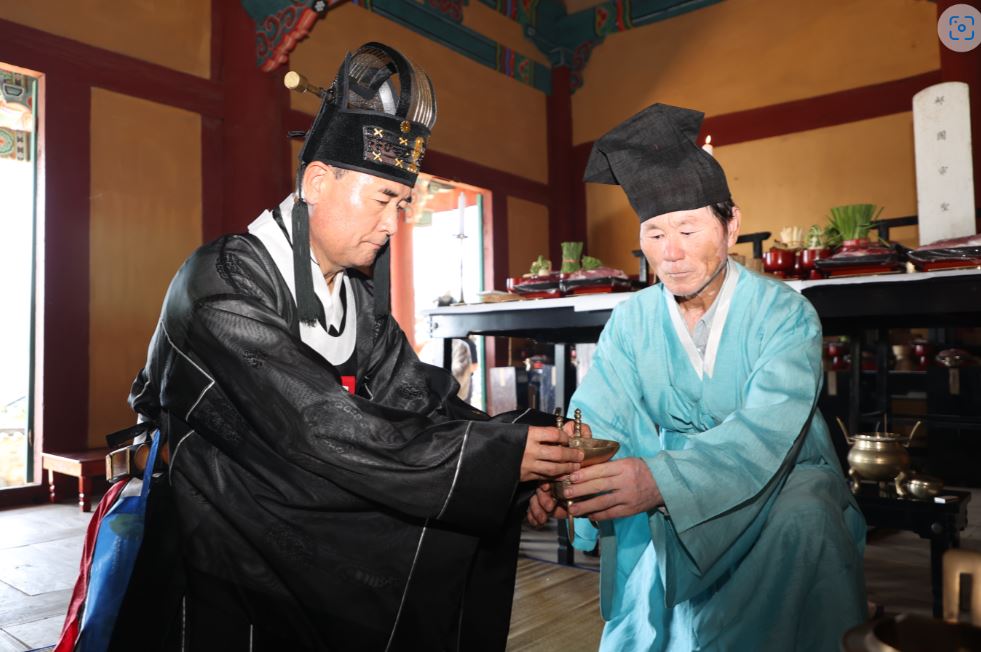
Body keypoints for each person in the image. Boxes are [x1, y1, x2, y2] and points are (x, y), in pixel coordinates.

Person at [126, 42, 583, 651]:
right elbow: (317, 425)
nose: (393, 225)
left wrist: (523, 459)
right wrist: (496, 462)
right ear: (318, 181)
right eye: (383, 200)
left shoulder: (355, 298)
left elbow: (420, 400)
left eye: (403, 204)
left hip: (286, 513)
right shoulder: (222, 283)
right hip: (214, 535)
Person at [527, 103, 867, 651]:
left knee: (803, 517)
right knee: (644, 529)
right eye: (654, 233)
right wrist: (566, 470)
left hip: (781, 472)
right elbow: (601, 411)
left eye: (688, 229)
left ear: (731, 225)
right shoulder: (632, 318)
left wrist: (661, 481)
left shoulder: (784, 313)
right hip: (668, 478)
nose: (672, 253)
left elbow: (768, 430)